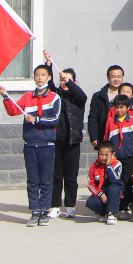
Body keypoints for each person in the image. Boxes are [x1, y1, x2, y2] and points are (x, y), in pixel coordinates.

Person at [0, 65, 62, 227]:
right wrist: (5, 96)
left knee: (46, 180)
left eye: (43, 75)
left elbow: (55, 119)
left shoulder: (54, 97)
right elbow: (13, 111)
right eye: (37, 75)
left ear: (49, 78)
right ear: (34, 77)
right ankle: (34, 211)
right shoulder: (27, 97)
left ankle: (44, 211)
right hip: (30, 145)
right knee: (33, 180)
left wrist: (36, 119)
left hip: (47, 145)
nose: (40, 78)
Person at [41, 52, 85, 221]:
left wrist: (69, 81)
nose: (64, 82)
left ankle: (70, 206)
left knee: (71, 176)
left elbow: (81, 95)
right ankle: (54, 206)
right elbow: (50, 84)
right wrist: (48, 63)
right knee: (56, 175)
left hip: (73, 141)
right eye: (62, 80)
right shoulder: (55, 96)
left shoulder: (78, 98)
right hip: (56, 141)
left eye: (68, 80)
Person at [104, 92, 133, 217]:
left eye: (122, 107)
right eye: (117, 107)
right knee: (114, 182)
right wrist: (107, 157)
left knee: (126, 182)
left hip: (129, 158)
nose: (119, 110)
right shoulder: (110, 121)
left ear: (127, 108)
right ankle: (113, 207)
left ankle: (124, 207)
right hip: (115, 159)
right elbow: (106, 139)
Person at [87, 65, 125, 150]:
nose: (116, 79)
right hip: (104, 135)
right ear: (108, 78)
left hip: (124, 136)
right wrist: (94, 136)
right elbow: (93, 117)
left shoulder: (128, 95)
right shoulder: (98, 96)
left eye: (119, 76)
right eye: (113, 76)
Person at [85, 141, 123, 225]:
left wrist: (108, 166)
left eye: (106, 155)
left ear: (112, 154)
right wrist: (101, 194)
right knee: (91, 202)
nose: (103, 157)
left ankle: (112, 213)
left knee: (113, 188)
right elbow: (90, 184)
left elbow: (115, 180)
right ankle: (105, 214)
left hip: (115, 192)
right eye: (101, 154)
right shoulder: (94, 166)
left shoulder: (117, 164)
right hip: (101, 191)